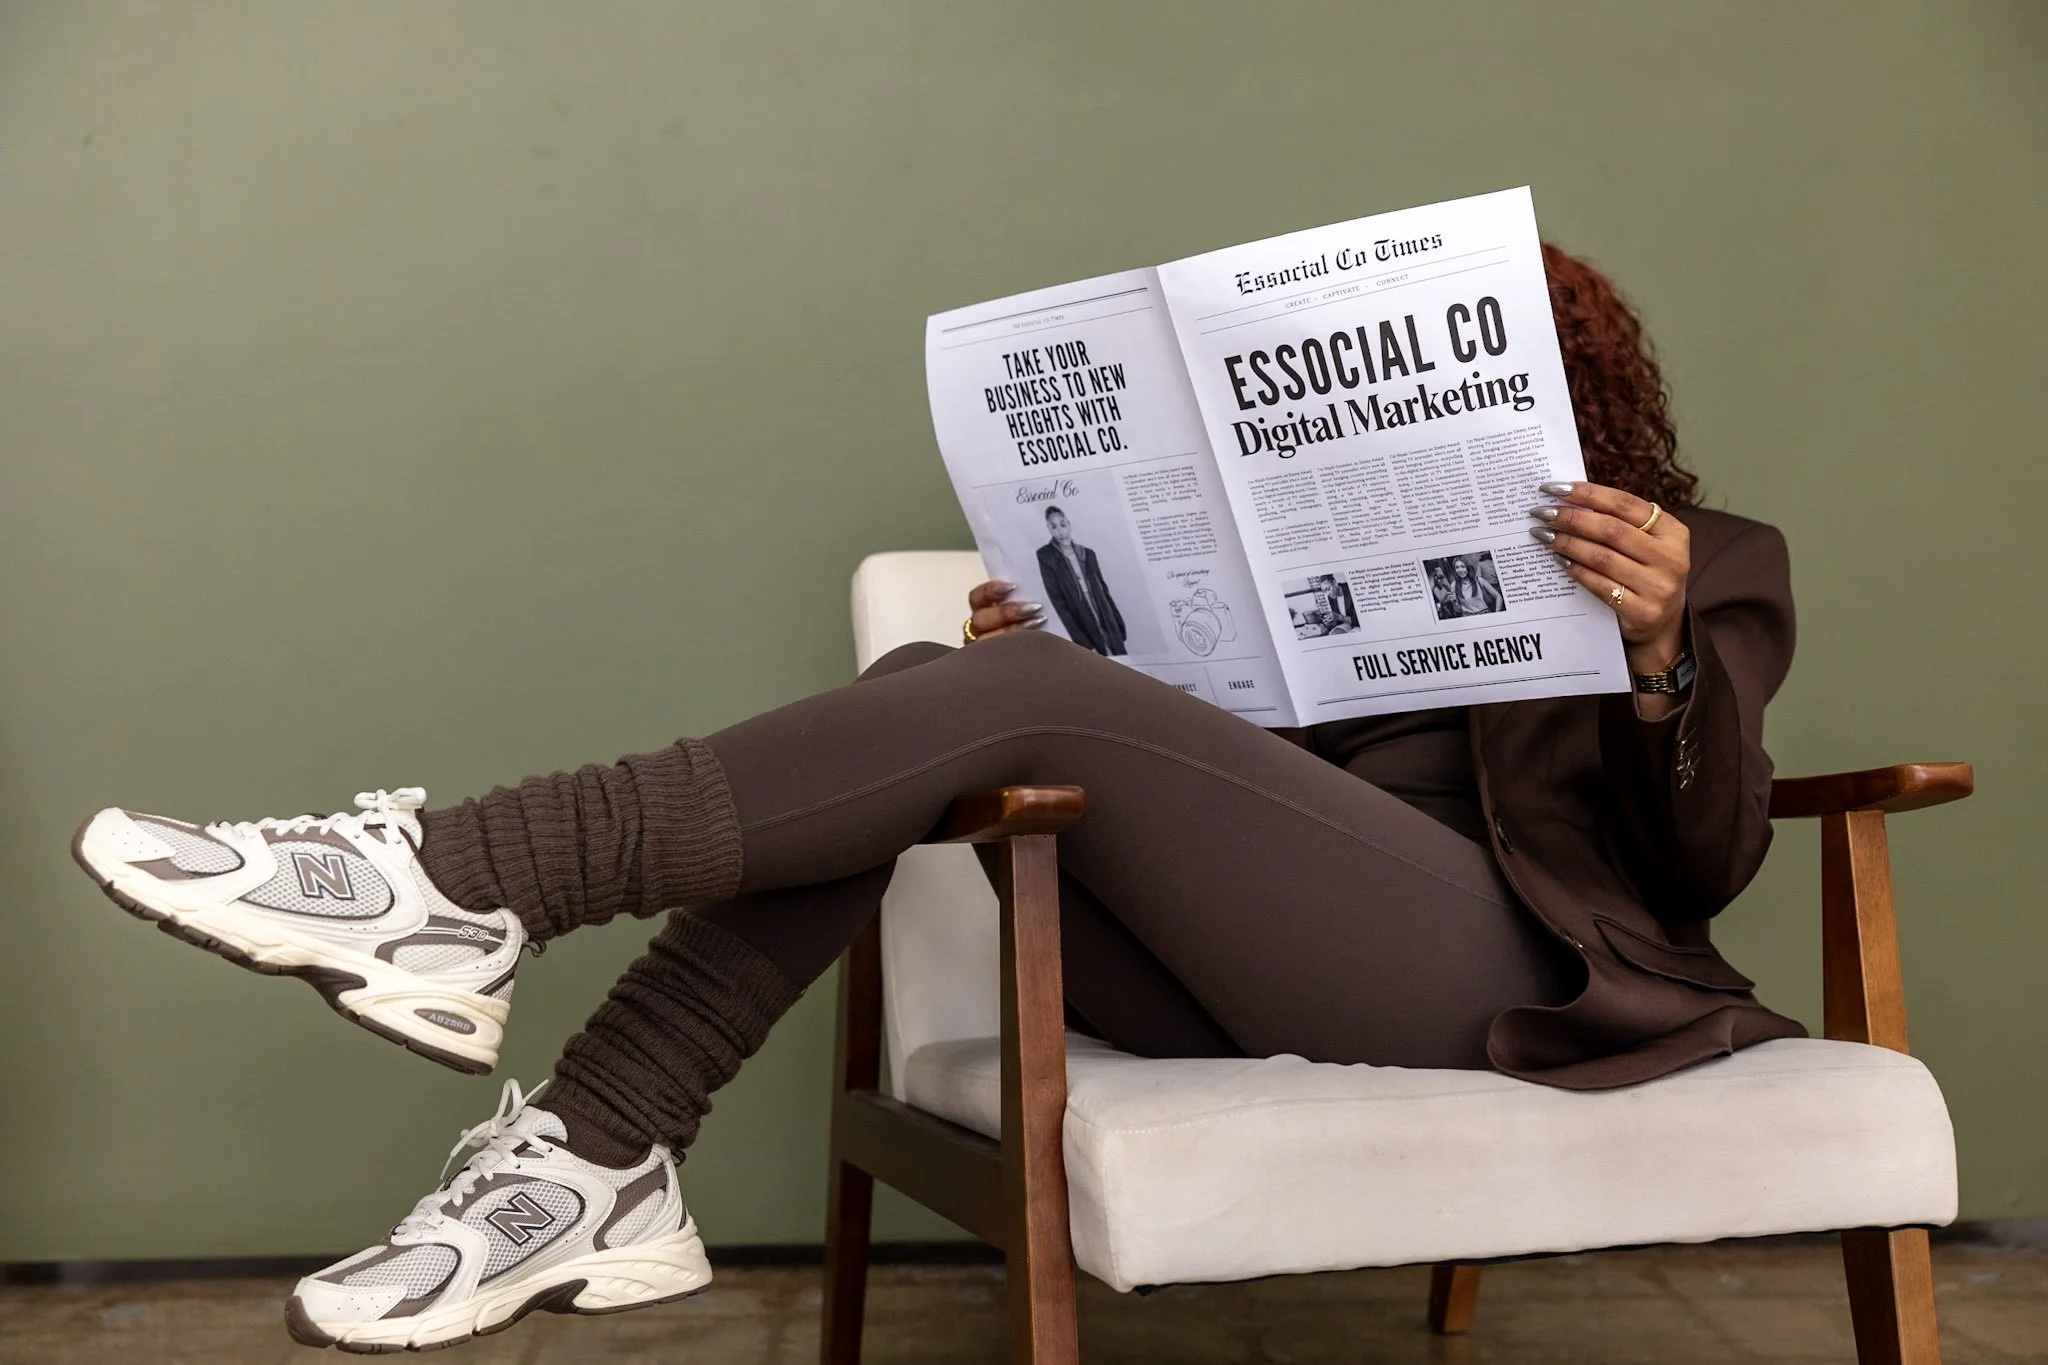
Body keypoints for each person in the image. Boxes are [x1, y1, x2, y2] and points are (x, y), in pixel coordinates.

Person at [69, 244, 1801, 1352]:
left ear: (1572, 400)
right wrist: (1074, 656)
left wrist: (1655, 649)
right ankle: (602, 1152)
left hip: (1507, 982)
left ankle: (455, 882)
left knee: (996, 706)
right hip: (1228, 966)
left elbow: (1707, 861)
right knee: (936, 687)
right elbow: (1231, 792)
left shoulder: (1704, 564)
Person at [1033, 505, 1128, 655]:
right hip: (1082, 618)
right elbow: (1058, 603)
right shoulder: (1046, 557)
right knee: (1101, 664)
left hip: (1106, 618)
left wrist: (1119, 624)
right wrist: (1082, 643)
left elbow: (1104, 591)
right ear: (1049, 529)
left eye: (1063, 525)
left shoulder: (1088, 553)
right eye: (1053, 527)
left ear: (1069, 524)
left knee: (1122, 661)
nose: (1060, 532)